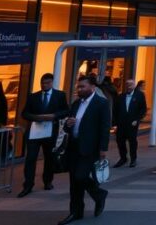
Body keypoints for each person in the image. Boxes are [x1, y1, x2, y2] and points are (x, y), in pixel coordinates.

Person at [58, 75, 110, 225]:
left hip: (90, 148)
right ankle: (76, 211)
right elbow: (67, 127)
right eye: (78, 86)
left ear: (92, 87)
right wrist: (68, 124)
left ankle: (99, 194)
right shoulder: (76, 104)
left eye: (82, 87)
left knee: (81, 176)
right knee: (74, 181)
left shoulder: (101, 103)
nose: (79, 89)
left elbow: (105, 127)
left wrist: (103, 148)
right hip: (74, 146)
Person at [19, 73, 70, 197]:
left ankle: (48, 181)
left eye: (47, 83)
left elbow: (66, 111)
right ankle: (28, 185)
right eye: (42, 83)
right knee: (31, 158)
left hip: (50, 131)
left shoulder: (60, 95)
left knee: (49, 157)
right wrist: (36, 117)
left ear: (52, 83)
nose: (44, 85)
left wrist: (54, 116)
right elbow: (24, 113)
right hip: (34, 131)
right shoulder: (33, 96)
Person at [112, 79, 147, 169]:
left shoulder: (139, 96)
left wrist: (138, 119)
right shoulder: (120, 97)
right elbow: (115, 110)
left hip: (132, 123)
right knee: (120, 141)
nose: (128, 86)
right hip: (121, 123)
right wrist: (115, 123)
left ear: (134, 85)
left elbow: (143, 109)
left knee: (132, 141)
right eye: (127, 84)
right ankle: (123, 158)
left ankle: (133, 159)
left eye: (131, 84)